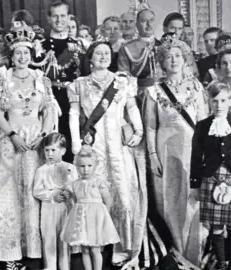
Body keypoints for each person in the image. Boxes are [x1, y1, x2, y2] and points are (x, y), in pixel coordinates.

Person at [69, 41, 163, 268]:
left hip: (118, 146)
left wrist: (139, 130)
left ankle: (123, 247)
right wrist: (74, 142)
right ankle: (95, 245)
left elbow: (131, 108)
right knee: (93, 194)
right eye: (98, 53)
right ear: (90, 58)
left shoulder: (122, 82)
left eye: (106, 53)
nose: (102, 56)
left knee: (121, 192)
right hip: (93, 145)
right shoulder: (79, 84)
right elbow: (74, 113)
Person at [0, 21, 60, 267]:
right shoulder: (3, 80)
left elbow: (50, 110)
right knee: (8, 189)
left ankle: (33, 248)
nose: (22, 57)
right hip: (10, 139)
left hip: (35, 139)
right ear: (11, 56)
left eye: (26, 52)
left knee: (34, 189)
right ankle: (9, 248)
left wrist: (43, 135)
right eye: (18, 53)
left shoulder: (41, 79)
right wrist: (13, 135)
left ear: (31, 55)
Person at [145, 35, 208, 266]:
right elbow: (150, 127)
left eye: (178, 56)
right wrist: (152, 156)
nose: (173, 60)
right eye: (169, 56)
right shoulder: (155, 91)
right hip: (165, 150)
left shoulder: (197, 87)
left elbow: (204, 123)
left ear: (185, 59)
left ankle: (195, 254)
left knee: (193, 200)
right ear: (162, 61)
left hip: (193, 149)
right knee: (169, 200)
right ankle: (176, 253)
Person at [191, 82, 231, 270]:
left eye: (223, 100)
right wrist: (195, 185)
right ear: (209, 101)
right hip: (211, 178)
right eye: (215, 100)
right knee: (217, 226)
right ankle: (221, 262)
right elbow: (195, 157)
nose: (219, 104)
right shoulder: (202, 126)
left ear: (230, 101)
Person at [35, 1, 85, 163]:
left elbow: (84, 76)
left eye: (63, 15)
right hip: (49, 101)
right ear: (48, 19)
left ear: (69, 17)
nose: (59, 20)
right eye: (55, 16)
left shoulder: (79, 46)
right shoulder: (40, 47)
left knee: (72, 145)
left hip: (73, 102)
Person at [61, 145, 120, 270]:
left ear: (95, 166)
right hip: (81, 219)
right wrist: (67, 194)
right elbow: (73, 199)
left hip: (96, 219)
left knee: (95, 249)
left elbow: (108, 200)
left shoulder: (99, 183)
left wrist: (105, 217)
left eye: (89, 166)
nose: (85, 170)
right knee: (85, 250)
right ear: (77, 167)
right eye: (82, 166)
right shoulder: (75, 184)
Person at [33, 133, 78, 270]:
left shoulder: (70, 167)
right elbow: (37, 191)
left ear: (63, 151)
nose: (49, 154)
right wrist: (52, 196)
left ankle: (65, 267)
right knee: (49, 239)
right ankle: (49, 267)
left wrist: (68, 192)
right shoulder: (41, 170)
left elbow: (76, 185)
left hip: (66, 207)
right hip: (49, 208)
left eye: (53, 150)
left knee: (64, 239)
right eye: (47, 150)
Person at [118, 9, 161, 100]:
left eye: (151, 20)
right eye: (144, 21)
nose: (148, 24)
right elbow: (123, 78)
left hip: (163, 94)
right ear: (137, 25)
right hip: (139, 96)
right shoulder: (127, 49)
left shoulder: (164, 46)